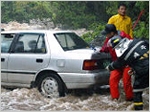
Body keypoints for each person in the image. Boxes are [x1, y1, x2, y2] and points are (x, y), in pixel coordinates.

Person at [106, 35, 149, 110]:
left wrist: (108, 68)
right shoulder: (140, 41)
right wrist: (134, 68)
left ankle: (139, 109)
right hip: (144, 67)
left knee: (137, 90)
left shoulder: (126, 55)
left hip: (144, 70)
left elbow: (117, 64)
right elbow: (141, 57)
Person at [100, 24, 133, 101]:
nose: (106, 35)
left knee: (126, 82)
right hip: (117, 64)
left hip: (126, 63)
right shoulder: (108, 39)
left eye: (107, 33)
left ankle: (130, 99)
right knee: (112, 80)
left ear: (112, 33)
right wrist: (100, 50)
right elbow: (105, 48)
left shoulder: (125, 37)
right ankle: (115, 99)